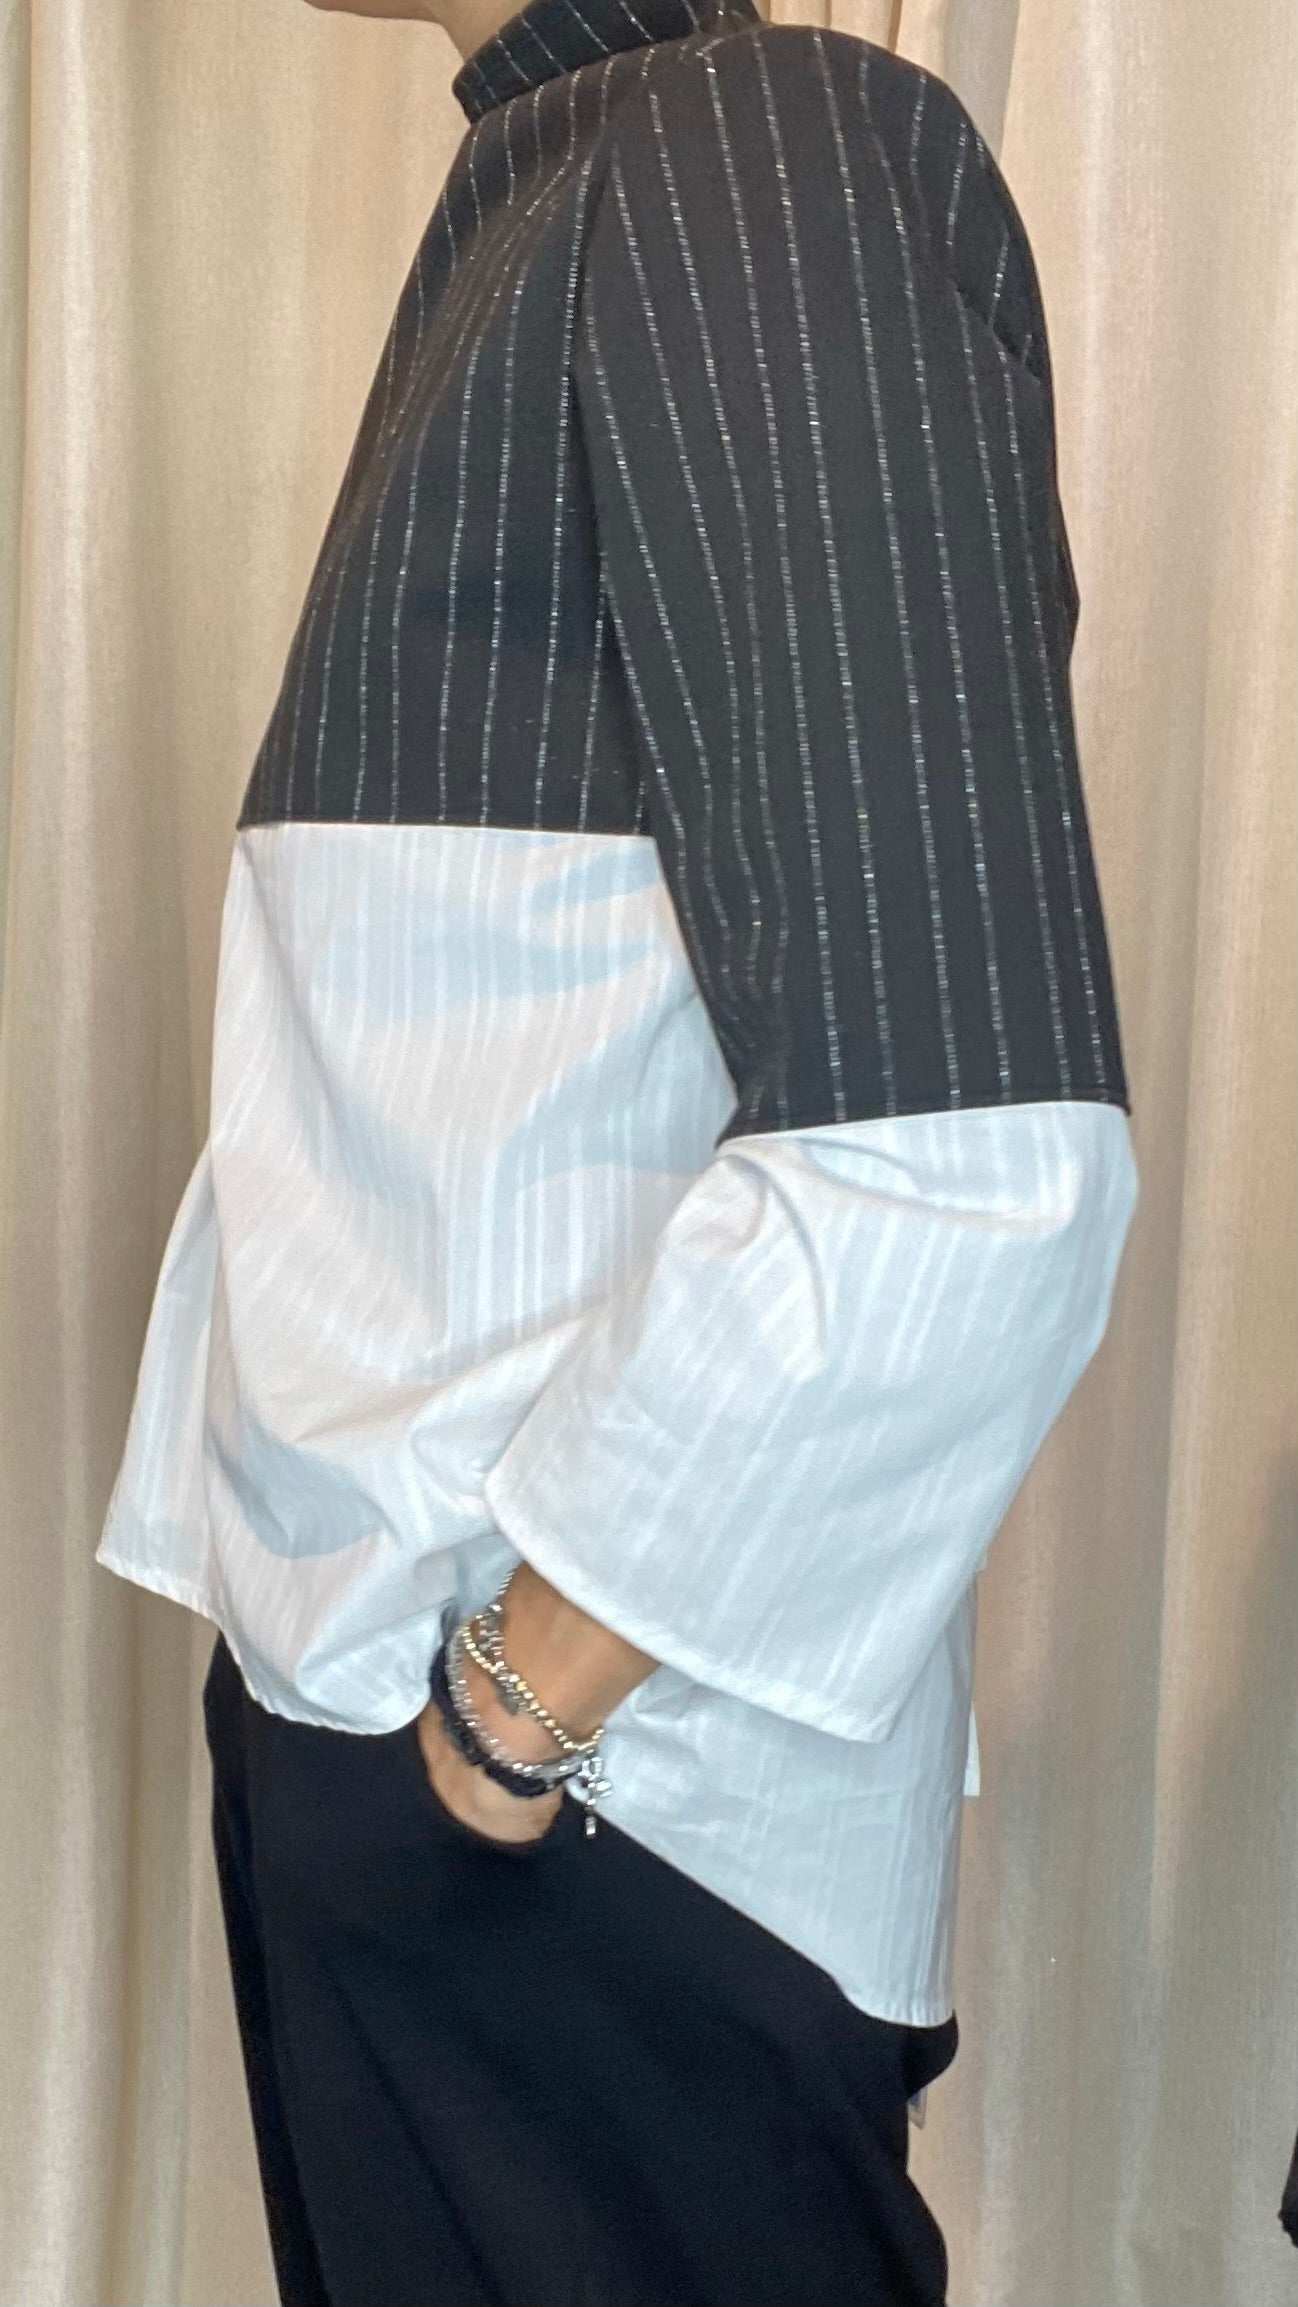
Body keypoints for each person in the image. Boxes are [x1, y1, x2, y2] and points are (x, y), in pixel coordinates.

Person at [96, 0, 1140, 2297]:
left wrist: (505, 1710)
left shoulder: (756, 161)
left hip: (583, 1811)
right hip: (438, 1740)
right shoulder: (581, 175)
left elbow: (968, 1152)